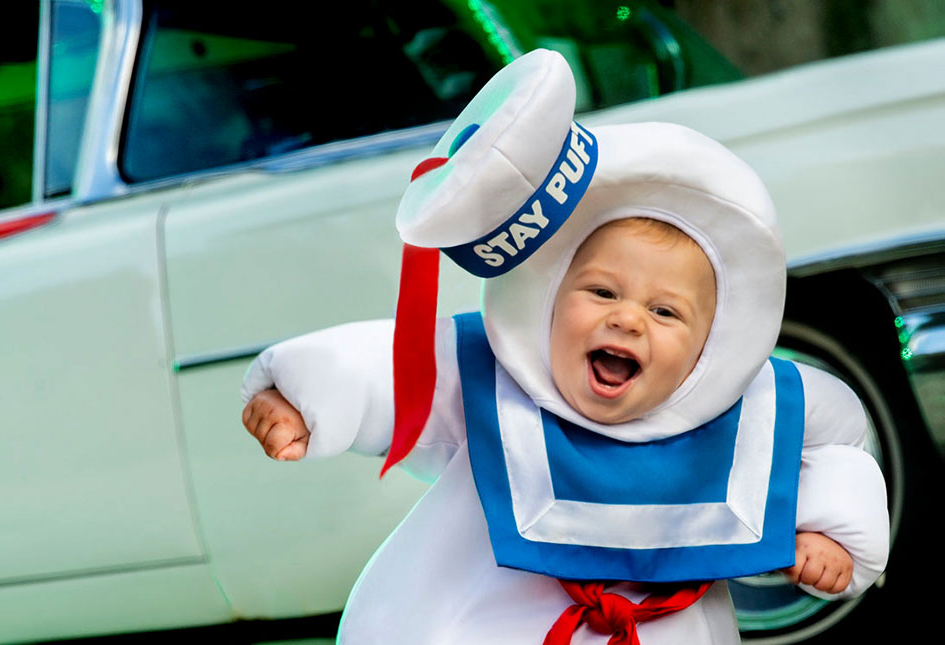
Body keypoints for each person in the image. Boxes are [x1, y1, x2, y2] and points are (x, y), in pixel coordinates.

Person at [240, 50, 889, 644]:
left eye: (665, 311)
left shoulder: (746, 409)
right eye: (602, 291)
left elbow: (835, 436)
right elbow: (392, 365)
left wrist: (830, 529)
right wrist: (301, 394)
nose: (629, 320)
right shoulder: (494, 375)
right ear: (549, 300)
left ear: (707, 348)